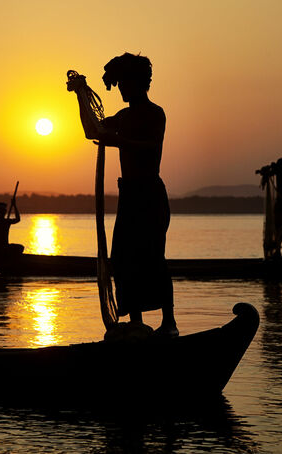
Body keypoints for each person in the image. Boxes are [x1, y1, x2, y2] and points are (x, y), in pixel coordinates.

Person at [77, 52, 177, 336]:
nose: (121, 89)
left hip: (150, 195)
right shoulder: (123, 116)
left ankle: (169, 322)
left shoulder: (154, 113)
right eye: (119, 84)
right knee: (122, 259)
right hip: (129, 196)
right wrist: (81, 95)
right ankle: (136, 321)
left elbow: (150, 146)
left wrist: (118, 141)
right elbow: (92, 131)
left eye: (125, 83)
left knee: (154, 257)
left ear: (140, 83)